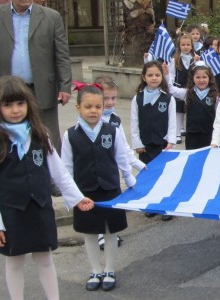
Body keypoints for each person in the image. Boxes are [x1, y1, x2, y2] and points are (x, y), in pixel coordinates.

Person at [0, 76, 95, 299]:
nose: (15, 110)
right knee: (14, 261)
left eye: (20, 104)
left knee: (45, 258)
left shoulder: (40, 134)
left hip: (40, 208)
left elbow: (59, 172)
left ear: (28, 104)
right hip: (12, 211)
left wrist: (77, 198)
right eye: (8, 105)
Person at [61, 85, 138, 292]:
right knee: (90, 233)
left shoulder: (112, 130)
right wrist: (71, 197)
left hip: (110, 188)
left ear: (103, 107)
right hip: (85, 193)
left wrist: (129, 179)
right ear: (78, 107)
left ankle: (110, 269)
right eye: (88, 106)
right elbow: (66, 168)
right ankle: (95, 270)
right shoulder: (70, 135)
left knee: (111, 232)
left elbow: (122, 157)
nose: (93, 111)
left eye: (98, 106)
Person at [0, 0, 72, 152]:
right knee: (8, 135)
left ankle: (52, 173)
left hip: (42, 88)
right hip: (8, 90)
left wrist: (65, 86)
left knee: (48, 137)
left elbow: (62, 55)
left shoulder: (51, 17)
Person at [92, 76, 146, 249]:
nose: (110, 102)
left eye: (113, 98)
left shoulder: (115, 119)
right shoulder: (93, 120)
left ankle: (112, 232)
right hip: (95, 169)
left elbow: (122, 145)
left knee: (112, 198)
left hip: (112, 168)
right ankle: (100, 232)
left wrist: (134, 164)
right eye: (105, 98)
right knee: (98, 200)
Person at [130, 61, 177, 221]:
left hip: (162, 144)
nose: (154, 78)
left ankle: (166, 206)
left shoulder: (168, 98)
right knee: (149, 176)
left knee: (164, 175)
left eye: (157, 75)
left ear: (162, 76)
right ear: (144, 77)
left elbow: (172, 122)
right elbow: (134, 122)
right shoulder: (137, 98)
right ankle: (152, 205)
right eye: (150, 75)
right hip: (145, 145)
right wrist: (137, 143)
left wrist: (171, 140)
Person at [166, 61, 220, 150]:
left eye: (204, 77)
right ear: (192, 78)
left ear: (209, 78)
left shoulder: (215, 96)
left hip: (209, 135)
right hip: (192, 136)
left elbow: (219, 117)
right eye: (198, 77)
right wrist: (167, 75)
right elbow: (171, 90)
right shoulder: (187, 93)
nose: (201, 80)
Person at [170, 34, 198, 145]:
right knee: (178, 111)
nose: (185, 47)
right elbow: (172, 74)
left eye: (188, 45)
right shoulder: (175, 59)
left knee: (188, 109)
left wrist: (195, 61)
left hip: (190, 87)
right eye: (183, 45)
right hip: (178, 87)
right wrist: (171, 84)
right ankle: (177, 132)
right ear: (179, 46)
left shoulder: (195, 58)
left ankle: (183, 128)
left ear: (191, 46)